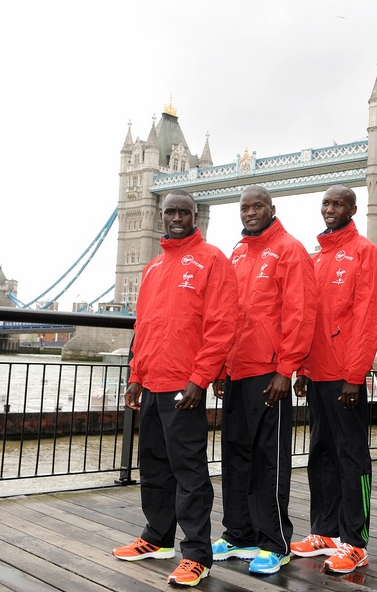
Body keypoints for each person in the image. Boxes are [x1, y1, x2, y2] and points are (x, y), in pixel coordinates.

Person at [112, 191, 238, 587]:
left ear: (196, 215)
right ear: (161, 216)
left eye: (184, 211)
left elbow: (222, 326)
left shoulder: (213, 259)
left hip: (185, 384)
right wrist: (136, 375)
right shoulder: (152, 267)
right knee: (153, 464)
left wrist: (200, 378)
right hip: (151, 382)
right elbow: (144, 327)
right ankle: (157, 536)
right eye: (170, 212)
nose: (177, 217)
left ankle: (196, 553)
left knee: (189, 470)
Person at [211, 184, 318, 575]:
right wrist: (221, 366)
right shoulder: (237, 252)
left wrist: (285, 369)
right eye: (244, 207)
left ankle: (275, 542)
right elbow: (226, 314)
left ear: (272, 208)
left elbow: (300, 314)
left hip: (268, 372)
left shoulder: (290, 249)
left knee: (268, 460)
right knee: (235, 455)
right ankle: (239, 533)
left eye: (258, 206)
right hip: (237, 370)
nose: (250, 212)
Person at [291, 185, 377, 574]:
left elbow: (371, 319)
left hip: (345, 377)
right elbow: (307, 320)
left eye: (338, 204)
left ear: (353, 208)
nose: (330, 209)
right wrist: (301, 368)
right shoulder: (317, 258)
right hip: (317, 373)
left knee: (352, 458)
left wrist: (355, 374)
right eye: (326, 203)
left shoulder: (366, 254)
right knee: (321, 455)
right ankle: (325, 531)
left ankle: (354, 541)